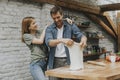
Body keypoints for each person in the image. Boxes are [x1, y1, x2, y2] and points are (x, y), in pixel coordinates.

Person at [45, 6, 87, 80]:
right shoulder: (50, 28)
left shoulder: (70, 25)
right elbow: (49, 42)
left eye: (58, 17)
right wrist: (62, 40)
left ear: (62, 15)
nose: (56, 20)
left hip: (68, 60)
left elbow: (79, 34)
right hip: (54, 61)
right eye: (54, 18)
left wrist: (84, 39)